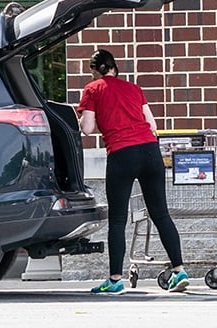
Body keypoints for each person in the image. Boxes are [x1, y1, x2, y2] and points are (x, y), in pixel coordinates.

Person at [76, 49, 189, 295]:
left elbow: (87, 128)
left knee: (118, 219)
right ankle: (179, 271)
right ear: (115, 67)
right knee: (161, 214)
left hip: (122, 154)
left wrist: (90, 117)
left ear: (95, 70)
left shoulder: (93, 89)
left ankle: (115, 280)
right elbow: (152, 124)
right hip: (150, 151)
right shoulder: (134, 89)